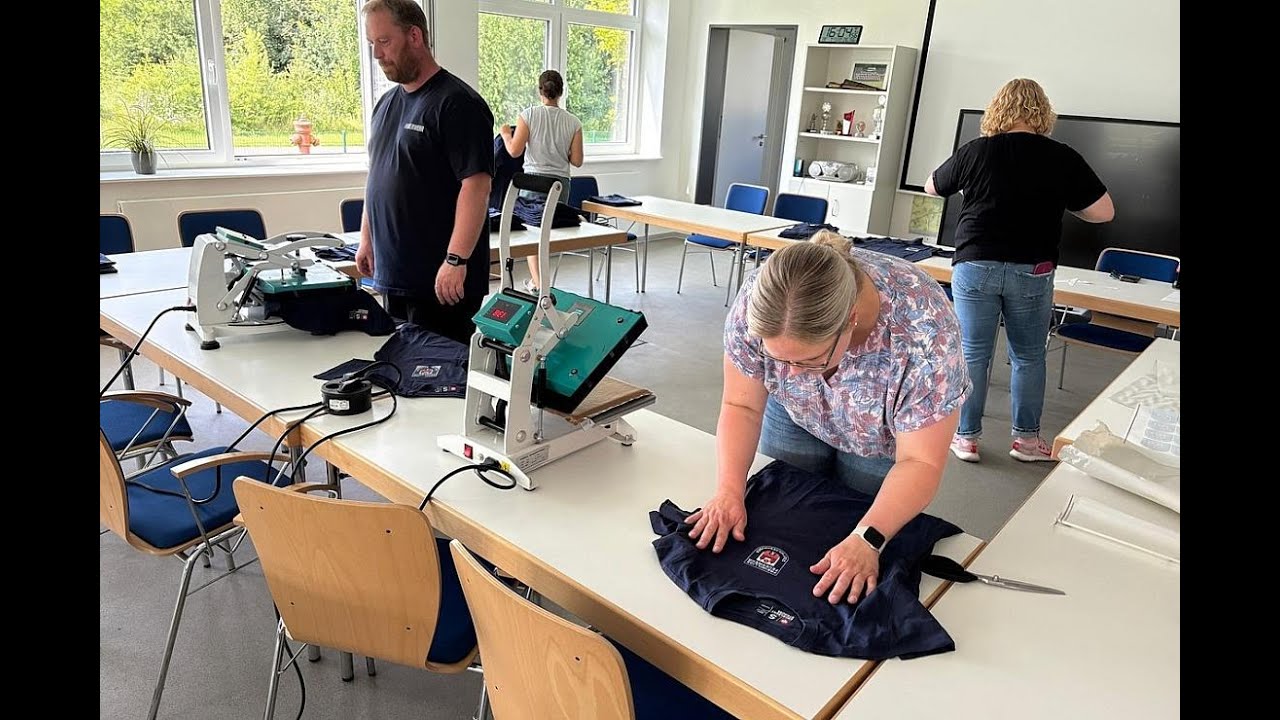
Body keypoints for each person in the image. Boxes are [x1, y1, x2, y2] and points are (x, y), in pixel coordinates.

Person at [687, 231, 970, 605]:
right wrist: (728, 491)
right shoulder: (761, 300)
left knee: (854, 535)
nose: (792, 373)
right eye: (778, 359)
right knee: (784, 521)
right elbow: (742, 406)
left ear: (851, 320)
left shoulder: (925, 328)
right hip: (794, 416)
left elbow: (920, 461)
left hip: (880, 442)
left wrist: (868, 537)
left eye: (808, 360)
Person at [925, 78, 1115, 463]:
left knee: (973, 354)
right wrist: (1063, 203)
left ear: (997, 109)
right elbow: (1103, 212)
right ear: (1043, 113)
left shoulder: (975, 151)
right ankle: (1026, 443)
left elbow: (932, 187)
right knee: (1028, 356)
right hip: (1033, 268)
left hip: (975, 263)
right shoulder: (1062, 156)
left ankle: (966, 439)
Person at [357, 0, 495, 345]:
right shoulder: (385, 104)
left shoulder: (458, 103)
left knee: (440, 372)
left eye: (384, 42)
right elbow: (378, 176)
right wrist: (366, 238)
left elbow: (476, 187)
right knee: (398, 367)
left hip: (441, 281)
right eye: (372, 43)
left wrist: (456, 260)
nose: (376, 54)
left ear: (414, 36)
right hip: (394, 274)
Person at [498, 69, 584, 292]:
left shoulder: (529, 115)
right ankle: (538, 283)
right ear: (561, 92)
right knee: (548, 234)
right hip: (560, 184)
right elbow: (577, 161)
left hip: (533, 182)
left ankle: (540, 285)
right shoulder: (573, 122)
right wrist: (559, 148)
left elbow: (514, 151)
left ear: (540, 91)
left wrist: (506, 134)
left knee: (532, 235)